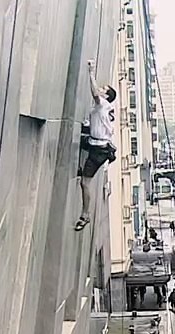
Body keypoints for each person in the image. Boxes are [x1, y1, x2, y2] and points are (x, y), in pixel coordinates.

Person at [74, 60, 118, 232]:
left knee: (85, 183)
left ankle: (85, 216)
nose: (100, 89)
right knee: (79, 142)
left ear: (106, 96)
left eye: (103, 89)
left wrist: (91, 72)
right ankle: (80, 167)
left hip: (98, 151)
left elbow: (94, 93)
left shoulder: (102, 105)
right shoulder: (103, 109)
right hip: (95, 143)